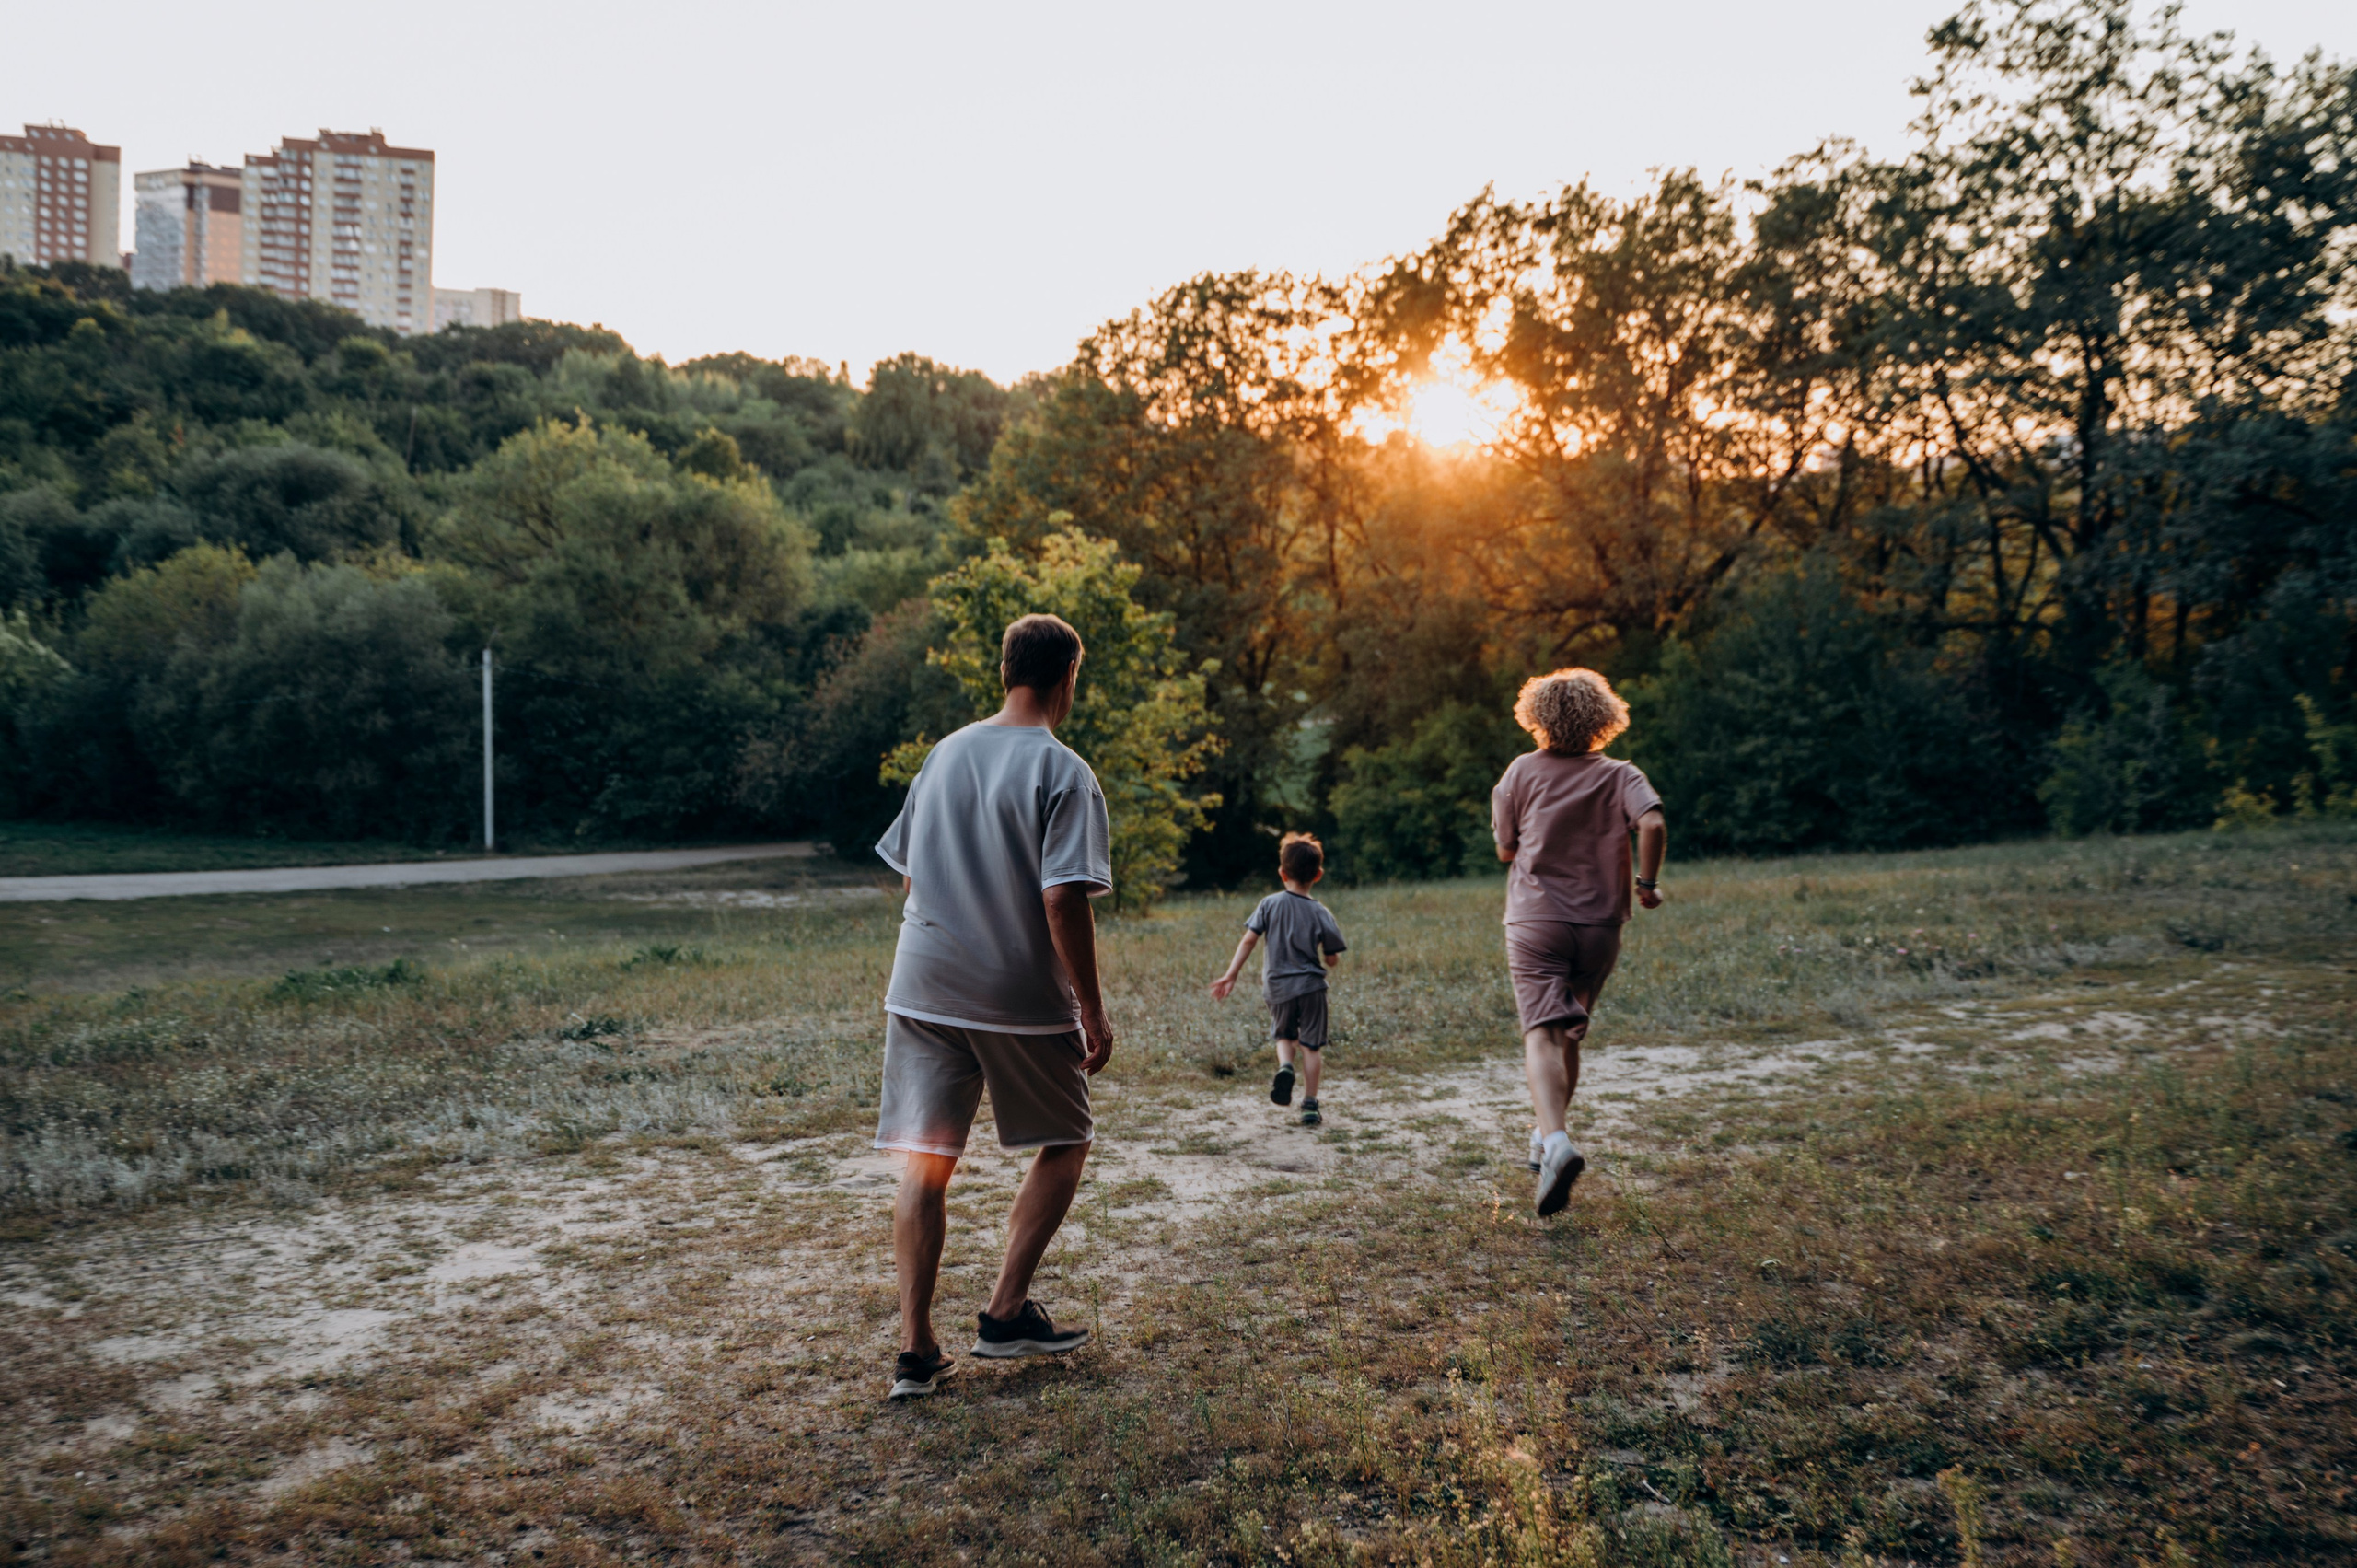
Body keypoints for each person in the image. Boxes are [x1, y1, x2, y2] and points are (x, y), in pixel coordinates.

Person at [870, 612, 1115, 1400]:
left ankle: (915, 1351)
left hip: (920, 983)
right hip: (1012, 993)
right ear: (1067, 678)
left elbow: (909, 877)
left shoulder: (943, 754)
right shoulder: (1063, 769)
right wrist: (1092, 1009)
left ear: (1006, 668)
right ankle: (1005, 1313)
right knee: (1068, 1138)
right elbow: (1061, 898)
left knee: (926, 1159)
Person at [1491, 668, 1666, 1217]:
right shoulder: (1621, 774)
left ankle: (1557, 1143)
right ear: (1602, 718)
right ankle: (1545, 1140)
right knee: (1571, 1033)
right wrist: (1647, 884)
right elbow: (1654, 824)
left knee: (1540, 1033)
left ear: (1537, 717)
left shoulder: (1519, 772)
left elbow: (1505, 849)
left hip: (1537, 920)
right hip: (1600, 925)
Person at [1209, 832, 1347, 1125]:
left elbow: (1249, 941)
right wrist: (1330, 957)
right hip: (1311, 987)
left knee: (1284, 1036)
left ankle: (1286, 1065)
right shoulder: (1321, 912)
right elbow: (1332, 958)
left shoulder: (1269, 904)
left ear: (1282, 873)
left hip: (1277, 986)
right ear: (1318, 875)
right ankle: (1310, 1104)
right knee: (1311, 1045)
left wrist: (1230, 975)